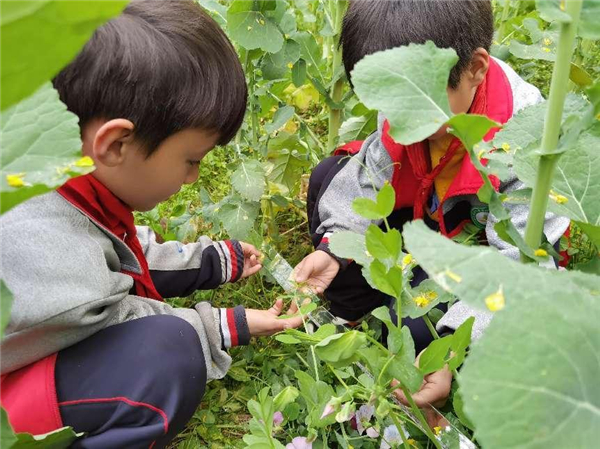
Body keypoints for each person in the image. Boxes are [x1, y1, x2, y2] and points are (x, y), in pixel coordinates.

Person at [0, 2, 303, 447]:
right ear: (116, 143)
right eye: (192, 160)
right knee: (167, 355)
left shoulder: (52, 168)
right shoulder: (50, 253)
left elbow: (119, 251)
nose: (194, 176)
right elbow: (113, 310)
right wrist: (223, 325)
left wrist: (213, 260)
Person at [293, 0, 569, 418]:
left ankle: (422, 333)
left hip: (477, 256)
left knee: (423, 334)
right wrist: (333, 249)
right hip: (422, 220)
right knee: (328, 178)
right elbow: (368, 177)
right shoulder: (410, 99)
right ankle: (353, 306)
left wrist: (455, 342)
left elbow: (524, 270)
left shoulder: (526, 143)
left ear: (476, 69)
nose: (396, 117)